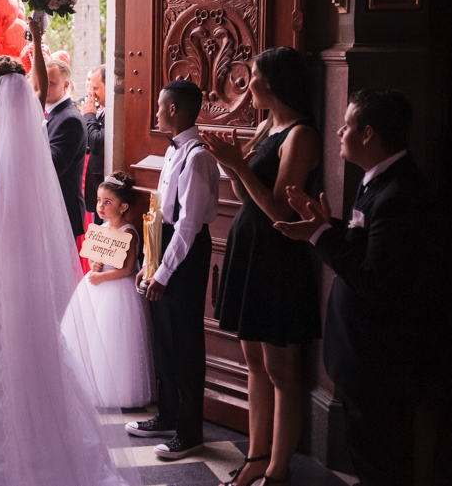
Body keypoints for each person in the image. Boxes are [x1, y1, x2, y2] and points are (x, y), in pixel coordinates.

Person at [0, 33, 139, 486]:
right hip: (25, 255)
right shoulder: (34, 141)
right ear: (22, 96)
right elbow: (37, 89)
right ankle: (38, 436)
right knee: (26, 335)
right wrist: (37, 37)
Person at [275, 89, 447, 486]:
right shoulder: (377, 183)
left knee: (381, 462)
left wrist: (320, 235)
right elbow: (368, 246)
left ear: (368, 134)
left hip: (381, 362)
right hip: (361, 355)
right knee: (367, 456)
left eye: (347, 125)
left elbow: (375, 279)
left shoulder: (400, 194)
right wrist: (327, 227)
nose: (339, 132)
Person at [203, 47, 322, 486]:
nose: (245, 82)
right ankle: (256, 456)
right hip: (250, 247)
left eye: (251, 75)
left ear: (271, 82)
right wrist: (232, 167)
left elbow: (279, 210)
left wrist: (240, 166)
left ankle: (278, 469)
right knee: (254, 360)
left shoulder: (301, 135)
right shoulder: (267, 126)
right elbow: (246, 194)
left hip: (278, 254)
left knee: (282, 371)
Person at [126, 80, 221, 460]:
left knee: (184, 343)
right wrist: (149, 265)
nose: (156, 113)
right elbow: (161, 215)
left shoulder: (197, 157)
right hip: (165, 245)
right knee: (164, 338)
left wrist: (164, 274)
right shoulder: (172, 150)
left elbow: (188, 224)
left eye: (160, 106)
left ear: (174, 110)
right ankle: (167, 415)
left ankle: (189, 431)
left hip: (187, 252)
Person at [61, 171, 153, 408]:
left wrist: (101, 277)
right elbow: (95, 257)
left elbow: (128, 270)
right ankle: (88, 386)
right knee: (91, 337)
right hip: (96, 285)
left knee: (112, 339)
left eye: (107, 202)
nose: (100, 206)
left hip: (118, 290)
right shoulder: (100, 227)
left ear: (123, 207)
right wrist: (95, 265)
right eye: (99, 200)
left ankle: (116, 392)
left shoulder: (128, 233)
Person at [31, 47, 88, 241]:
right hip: (49, 211)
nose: (45, 87)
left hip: (61, 212)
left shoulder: (69, 120)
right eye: (42, 82)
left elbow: (53, 166)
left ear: (66, 86)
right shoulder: (50, 113)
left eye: (51, 83)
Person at [82, 65, 107, 225]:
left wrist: (89, 116)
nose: (92, 93)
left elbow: (97, 142)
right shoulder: (103, 110)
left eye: (96, 88)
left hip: (105, 189)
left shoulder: (112, 112)